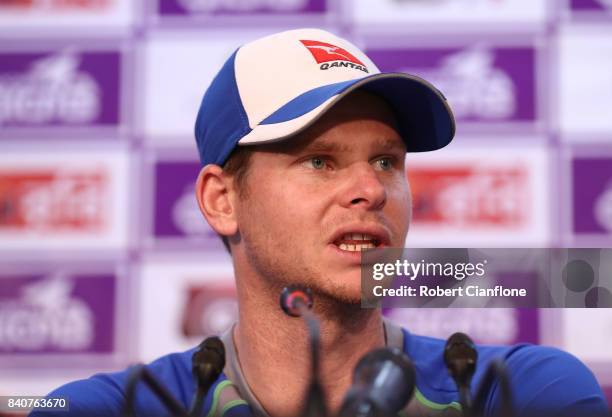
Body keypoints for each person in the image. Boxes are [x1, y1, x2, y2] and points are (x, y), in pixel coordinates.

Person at [31, 28, 607, 417]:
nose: (369, 190)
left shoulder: (520, 393)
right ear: (221, 200)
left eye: (387, 161)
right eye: (319, 160)